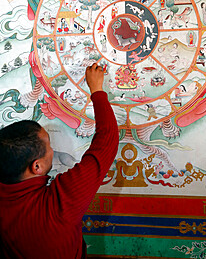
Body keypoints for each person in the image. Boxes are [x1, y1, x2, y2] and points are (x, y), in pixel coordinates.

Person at [0, 63, 119, 259]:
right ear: (36, 166)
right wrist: (97, 90)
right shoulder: (56, 205)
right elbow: (105, 144)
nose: (53, 150)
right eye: (48, 148)